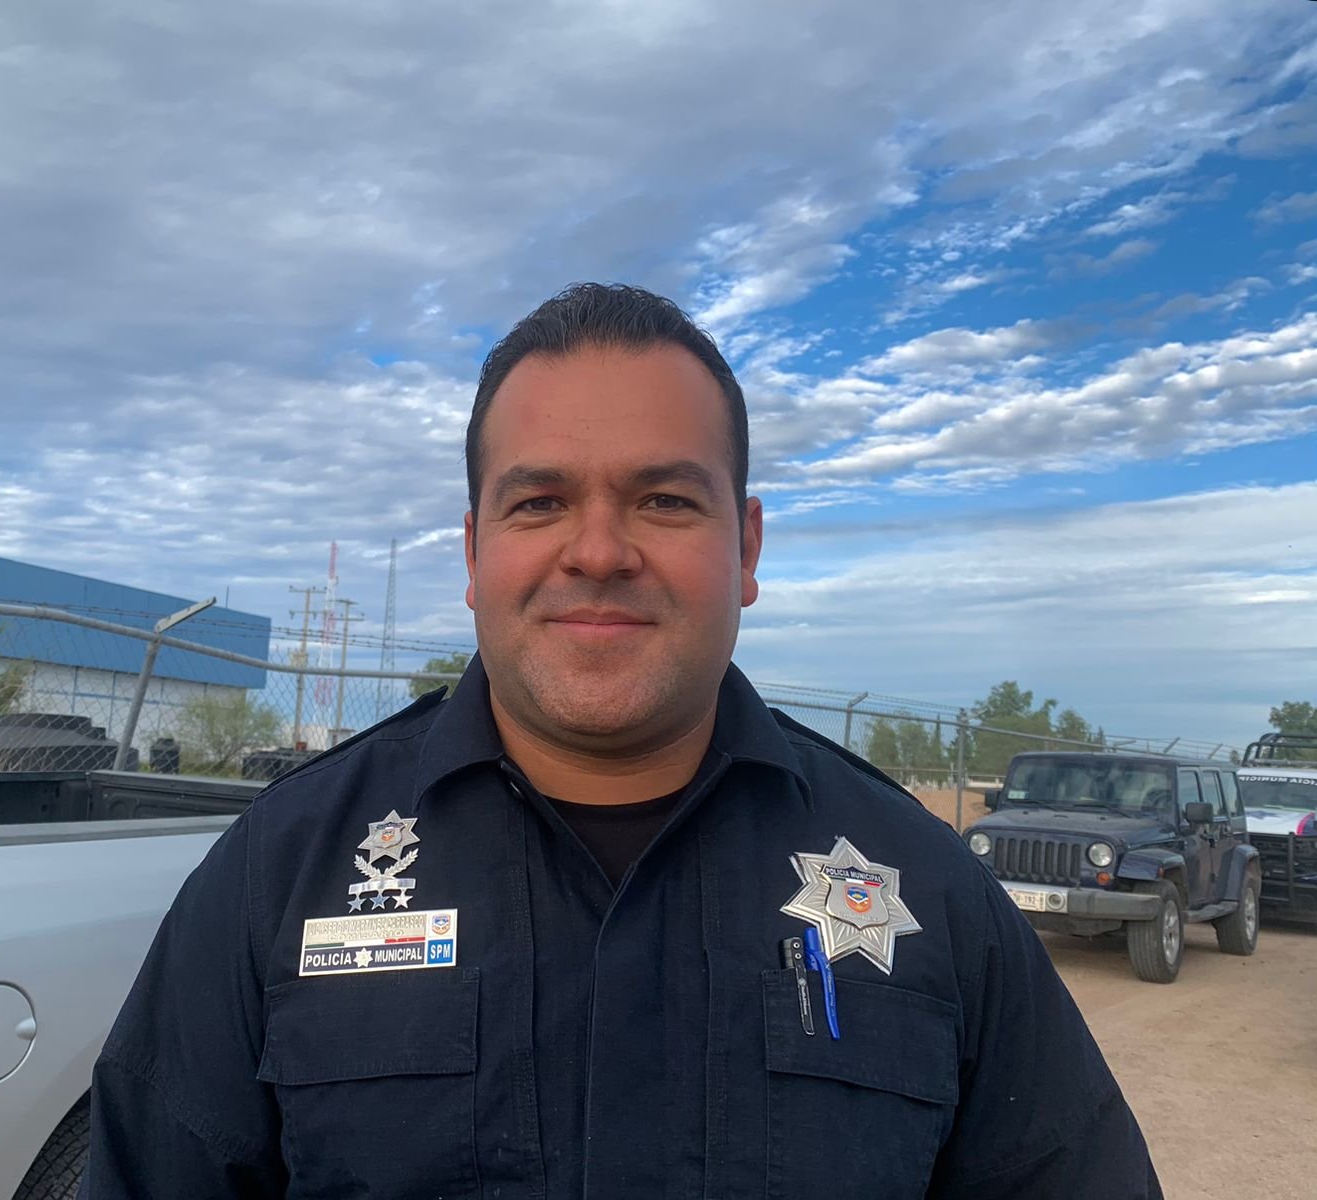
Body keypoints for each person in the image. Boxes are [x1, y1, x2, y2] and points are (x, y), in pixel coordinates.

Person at [80, 283, 1161, 1198]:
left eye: (664, 500)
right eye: (541, 502)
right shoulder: (277, 876)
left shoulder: (926, 885)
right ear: (474, 552)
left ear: (746, 547)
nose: (598, 551)